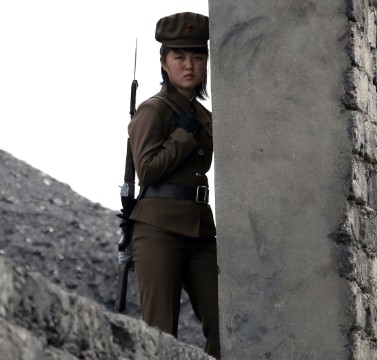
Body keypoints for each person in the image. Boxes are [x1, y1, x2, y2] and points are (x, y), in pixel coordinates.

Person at [127, 11, 220, 358]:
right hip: (158, 229)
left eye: (198, 56)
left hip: (200, 230)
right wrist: (183, 136)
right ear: (164, 62)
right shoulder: (153, 110)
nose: (189, 65)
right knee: (161, 334)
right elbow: (147, 171)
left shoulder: (206, 116)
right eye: (179, 56)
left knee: (228, 322)